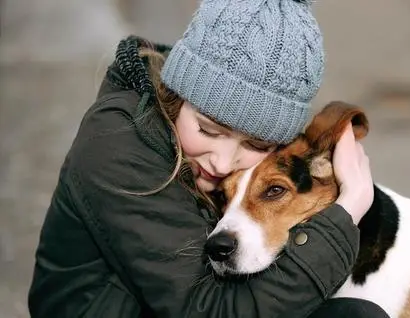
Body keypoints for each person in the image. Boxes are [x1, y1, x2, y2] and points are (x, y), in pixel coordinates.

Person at [28, 0, 390, 317]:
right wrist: (349, 207)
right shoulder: (118, 148)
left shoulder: (200, 156)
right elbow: (211, 310)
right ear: (178, 95)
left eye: (257, 144)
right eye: (209, 131)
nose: (221, 162)